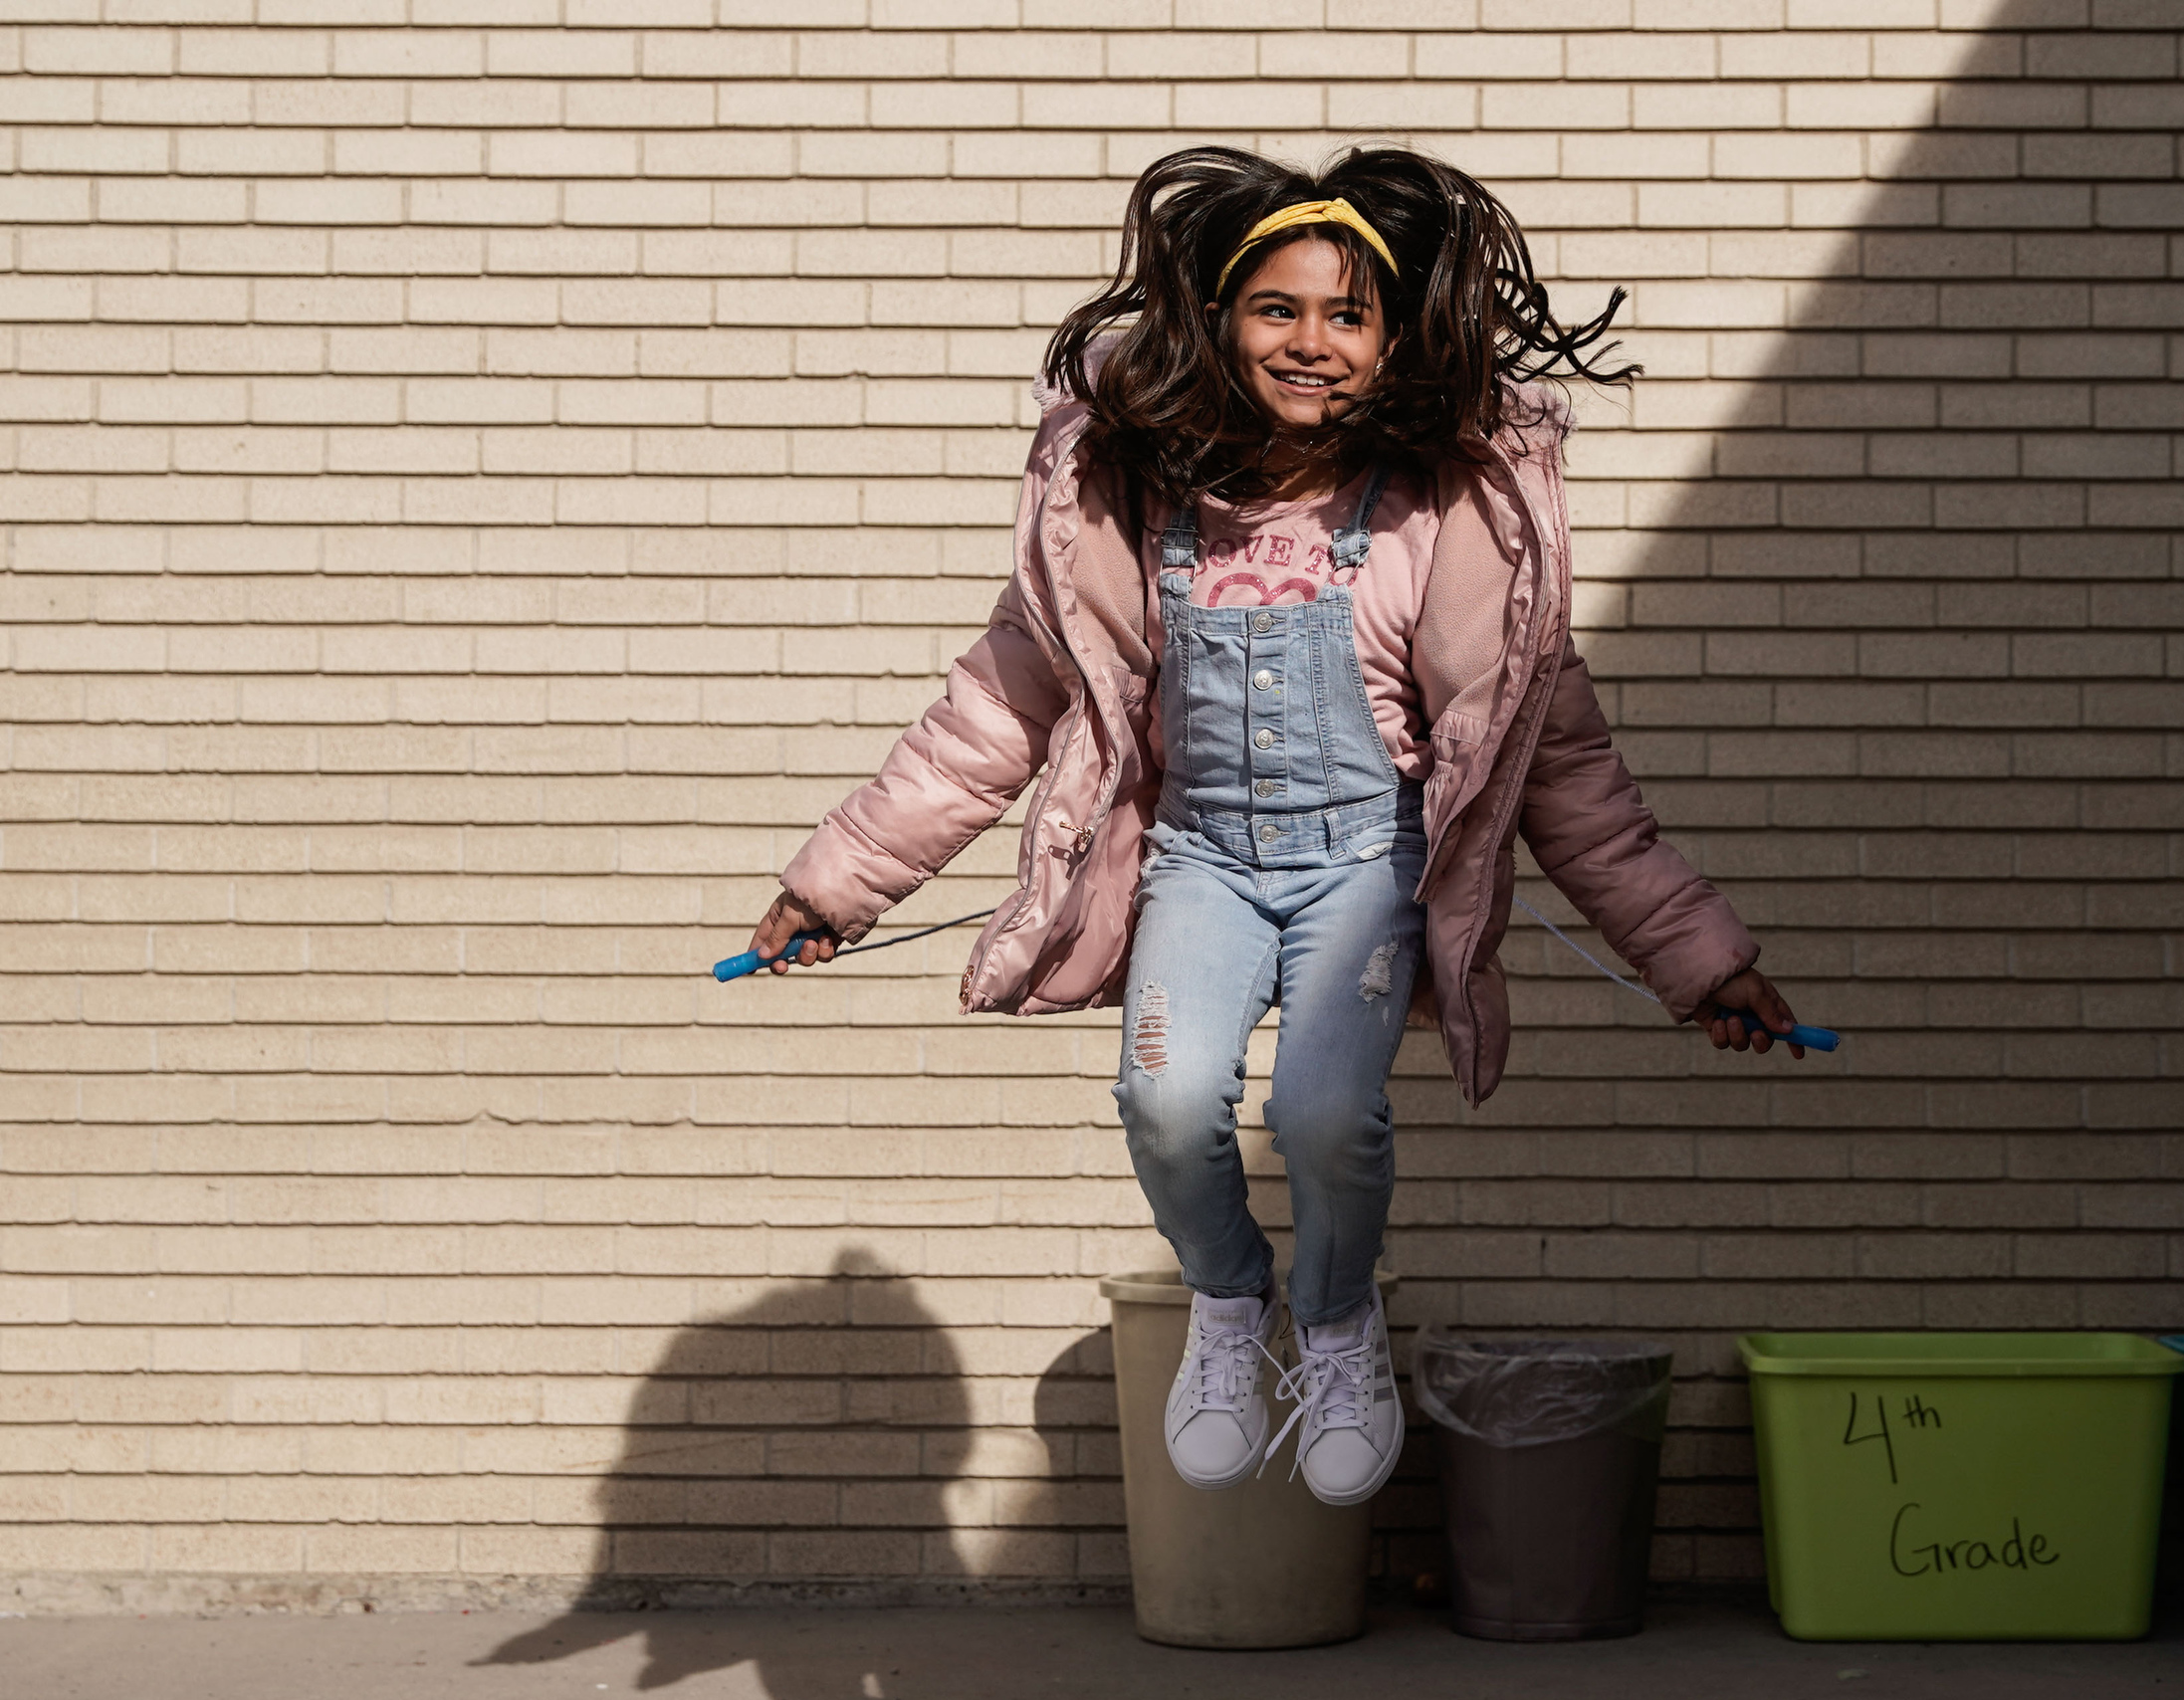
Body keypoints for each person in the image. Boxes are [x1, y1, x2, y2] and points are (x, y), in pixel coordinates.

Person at [738, 145, 1801, 1514]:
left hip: (1367, 865)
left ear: (1395, 337)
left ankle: (1340, 1318)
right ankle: (1232, 1308)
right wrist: (837, 886)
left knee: (1320, 1110)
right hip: (1204, 863)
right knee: (1166, 1100)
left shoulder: (1442, 521)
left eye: (1348, 315)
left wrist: (1700, 961)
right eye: (1278, 309)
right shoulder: (1131, 510)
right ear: (1218, 321)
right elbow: (988, 718)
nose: (1312, 342)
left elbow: (1575, 779)